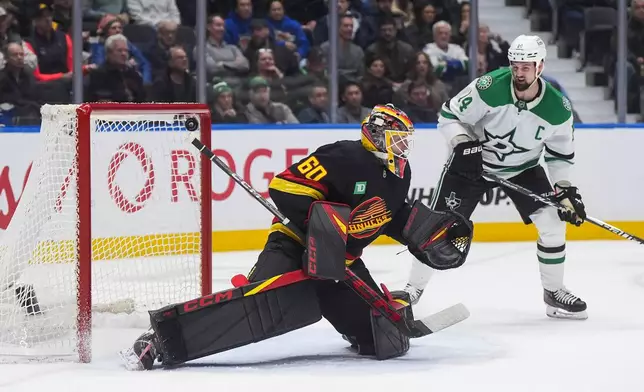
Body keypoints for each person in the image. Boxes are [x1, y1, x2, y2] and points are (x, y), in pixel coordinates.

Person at [122, 104, 474, 370]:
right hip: (295, 245)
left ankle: (353, 322)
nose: (402, 147)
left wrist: (421, 231)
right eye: (397, 139)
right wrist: (324, 224)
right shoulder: (345, 156)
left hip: (341, 265)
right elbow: (284, 187)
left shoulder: (400, 172)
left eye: (405, 140)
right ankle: (161, 340)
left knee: (383, 341)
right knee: (253, 306)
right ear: (378, 134)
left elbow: (389, 214)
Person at [403, 35, 588, 320]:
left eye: (526, 66)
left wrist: (564, 189)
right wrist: (464, 143)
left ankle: (554, 292)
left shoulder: (557, 108)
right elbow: (448, 116)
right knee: (437, 226)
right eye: (515, 66)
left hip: (523, 169)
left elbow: (559, 154)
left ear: (540, 66)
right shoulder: (489, 87)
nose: (519, 72)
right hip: (469, 166)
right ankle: (412, 289)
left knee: (552, 225)